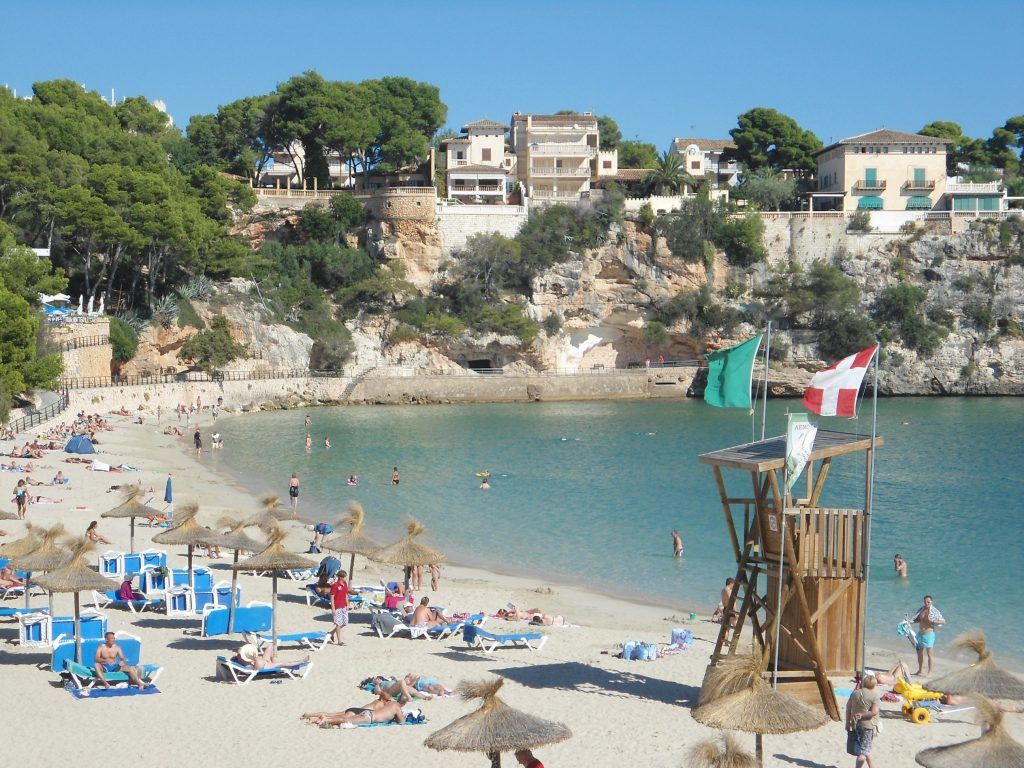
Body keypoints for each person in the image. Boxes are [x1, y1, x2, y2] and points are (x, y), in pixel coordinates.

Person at [300, 690, 406, 728]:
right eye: (387, 700)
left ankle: (312, 716)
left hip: (359, 710)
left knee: (333, 714)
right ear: (384, 700)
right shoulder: (389, 705)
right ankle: (323, 719)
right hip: (364, 714)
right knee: (343, 719)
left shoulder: (383, 702)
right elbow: (402, 721)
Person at [845, 675, 880, 767]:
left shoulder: (855, 693)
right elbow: (874, 712)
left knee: (866, 748)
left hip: (855, 724)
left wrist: (847, 722)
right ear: (874, 685)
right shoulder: (874, 696)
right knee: (863, 752)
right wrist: (862, 715)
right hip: (868, 726)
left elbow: (848, 708)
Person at [912, 595, 945, 676]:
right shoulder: (921, 609)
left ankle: (930, 672)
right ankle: (920, 670)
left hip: (929, 634)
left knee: (929, 654)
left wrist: (935, 622)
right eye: (925, 601)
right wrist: (909, 622)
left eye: (928, 601)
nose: (926, 603)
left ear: (931, 602)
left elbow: (943, 621)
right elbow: (917, 620)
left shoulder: (934, 611)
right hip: (920, 633)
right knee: (919, 652)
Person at [234, 642, 308, 672]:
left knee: (270, 646)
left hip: (263, 660)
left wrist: (254, 658)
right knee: (283, 663)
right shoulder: (247, 664)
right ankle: (301, 661)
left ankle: (274, 660)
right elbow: (255, 670)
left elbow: (239, 652)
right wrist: (256, 660)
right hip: (265, 665)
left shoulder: (244, 659)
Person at [330, 570, 349, 646]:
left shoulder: (345, 584)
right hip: (337, 607)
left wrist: (347, 604)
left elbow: (346, 595)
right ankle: (339, 641)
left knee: (344, 623)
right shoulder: (335, 585)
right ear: (341, 577)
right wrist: (333, 608)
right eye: (345, 577)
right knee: (338, 624)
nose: (346, 578)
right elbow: (332, 597)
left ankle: (332, 633)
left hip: (343, 606)